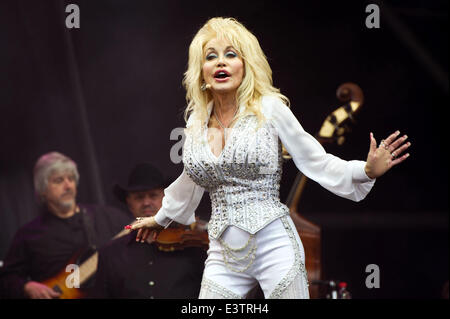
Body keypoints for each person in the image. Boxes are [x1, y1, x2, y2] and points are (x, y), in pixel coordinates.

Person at [128, 17, 411, 299]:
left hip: (274, 245)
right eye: (211, 57)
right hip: (223, 255)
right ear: (201, 71)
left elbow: (315, 159)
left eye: (231, 55)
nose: (220, 63)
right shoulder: (195, 123)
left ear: (246, 65)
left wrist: (366, 171)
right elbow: (191, 177)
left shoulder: (269, 109)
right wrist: (161, 218)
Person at [0, 152, 130, 299]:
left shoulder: (108, 217)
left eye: (71, 179)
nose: (68, 185)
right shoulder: (29, 234)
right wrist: (26, 287)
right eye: (59, 180)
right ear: (43, 189)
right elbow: (6, 278)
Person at [91, 163, 207, 299]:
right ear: (129, 203)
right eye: (139, 197)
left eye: (153, 195)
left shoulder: (192, 245)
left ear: (167, 199)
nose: (146, 202)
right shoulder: (110, 254)